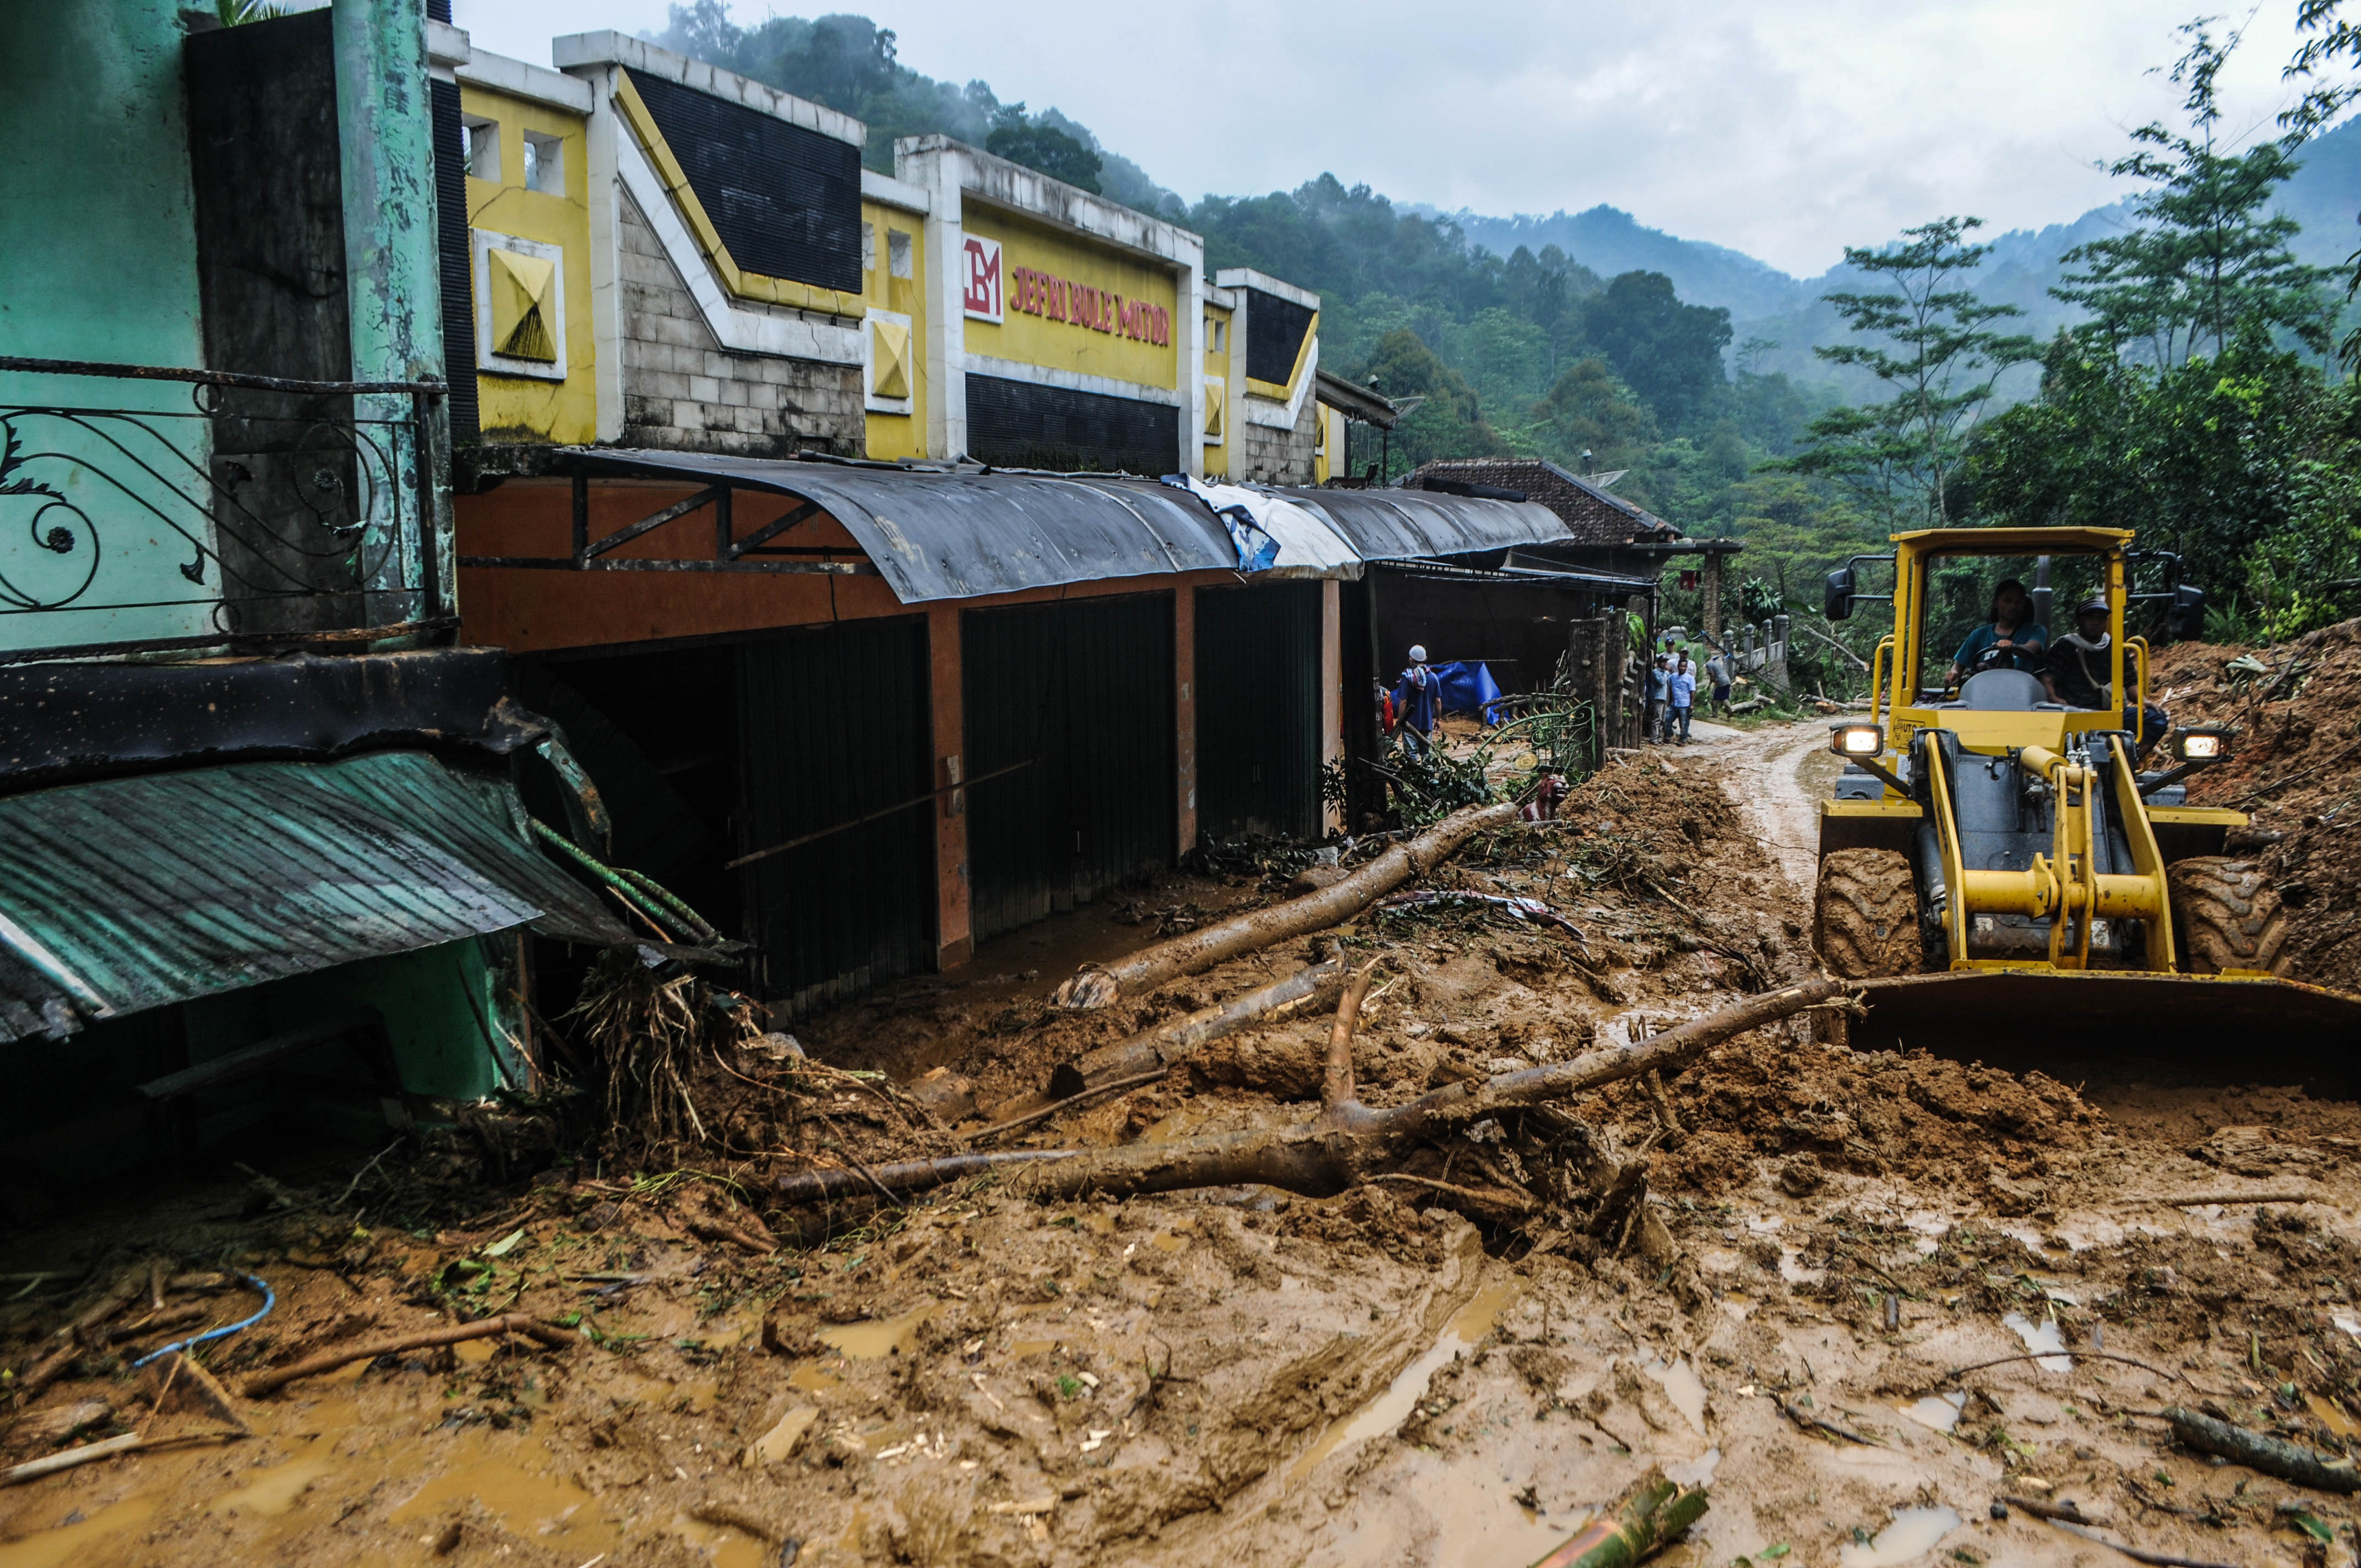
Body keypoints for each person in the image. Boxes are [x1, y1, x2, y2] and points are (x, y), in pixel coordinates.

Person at [2043, 594, 2170, 749]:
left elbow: (2130, 682)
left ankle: (2129, 759)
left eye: (2101, 618)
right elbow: (2048, 678)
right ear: (2079, 621)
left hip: (2110, 714)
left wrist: (2143, 701)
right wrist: (2054, 698)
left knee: (2157, 719)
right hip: (2073, 713)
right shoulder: (2066, 646)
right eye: (2090, 618)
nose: (2096, 623)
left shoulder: (2116, 648)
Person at [1945, 578, 2048, 687]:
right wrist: (1954, 674)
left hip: (2022, 692)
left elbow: (2031, 648)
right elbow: (1958, 667)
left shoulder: (2036, 630)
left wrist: (2013, 647)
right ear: (1995, 603)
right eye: (2008, 601)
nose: (2014, 607)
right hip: (1983, 692)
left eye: (2019, 602)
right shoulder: (1979, 635)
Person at [1390, 644, 1440, 756]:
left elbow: (1403, 702)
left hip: (1410, 724)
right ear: (1425, 659)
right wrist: (1438, 720)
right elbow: (1438, 701)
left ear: (1411, 660)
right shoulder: (1433, 678)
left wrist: (1400, 721)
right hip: (1427, 723)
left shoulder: (1406, 679)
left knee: (1411, 755)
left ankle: (1412, 773)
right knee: (1427, 754)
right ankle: (1428, 773)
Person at [1668, 652, 1698, 744]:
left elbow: (1693, 692)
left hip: (1685, 704)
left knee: (1684, 724)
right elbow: (1669, 687)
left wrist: (1692, 705)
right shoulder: (1673, 677)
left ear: (1686, 668)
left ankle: (1683, 740)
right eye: (1681, 666)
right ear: (1678, 667)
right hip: (1674, 704)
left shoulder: (1690, 678)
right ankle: (1667, 737)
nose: (1682, 668)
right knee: (1667, 719)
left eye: (1684, 667)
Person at [1645, 655, 1671, 743]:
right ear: (1659, 663)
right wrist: (1667, 673)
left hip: (1664, 698)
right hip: (1657, 698)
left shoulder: (1665, 673)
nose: (1665, 664)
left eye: (1665, 662)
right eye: (1663, 662)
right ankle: (1654, 738)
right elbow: (1662, 682)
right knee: (1657, 719)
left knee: (1663, 719)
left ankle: (1660, 738)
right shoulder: (1655, 672)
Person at [1704, 646, 1734, 714]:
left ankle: (1715, 714)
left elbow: (1713, 676)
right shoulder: (1715, 662)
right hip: (1727, 680)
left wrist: (1709, 685)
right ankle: (1730, 711)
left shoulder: (1708, 664)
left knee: (1714, 699)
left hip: (1721, 681)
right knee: (1724, 698)